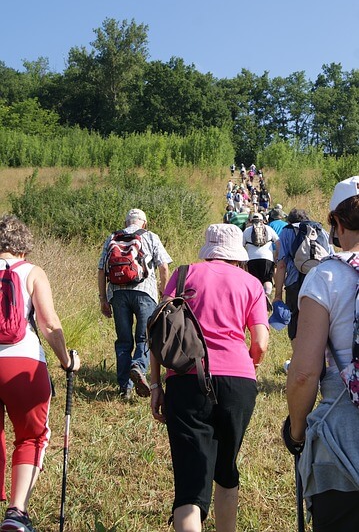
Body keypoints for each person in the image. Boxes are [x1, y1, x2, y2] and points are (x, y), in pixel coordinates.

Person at [150, 223, 269, 532]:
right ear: (237, 254)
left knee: (191, 484)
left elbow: (159, 331)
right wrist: (248, 366)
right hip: (239, 382)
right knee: (226, 471)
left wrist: (155, 383)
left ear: (208, 249)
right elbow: (260, 342)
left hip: (186, 378)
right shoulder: (251, 283)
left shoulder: (184, 274)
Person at [286, 175, 359, 531]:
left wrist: (296, 432)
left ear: (338, 224)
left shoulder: (326, 278)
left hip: (343, 446)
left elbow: (303, 373)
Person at [0, 214, 81, 532]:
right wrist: (65, 360)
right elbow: (48, 323)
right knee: (31, 437)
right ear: (24, 246)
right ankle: (16, 513)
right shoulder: (32, 272)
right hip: (23, 363)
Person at [98, 208, 172, 400]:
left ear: (126, 223)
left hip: (117, 294)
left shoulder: (113, 237)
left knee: (123, 341)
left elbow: (101, 270)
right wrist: (165, 294)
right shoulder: (150, 237)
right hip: (145, 293)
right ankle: (138, 366)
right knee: (144, 338)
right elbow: (164, 266)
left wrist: (103, 299)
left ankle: (125, 388)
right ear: (144, 223)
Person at [273, 208, 332, 341]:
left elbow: (281, 264)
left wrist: (278, 295)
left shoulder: (286, 232)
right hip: (319, 283)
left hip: (295, 283)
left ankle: (298, 358)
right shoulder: (322, 232)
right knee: (318, 321)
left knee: (295, 322)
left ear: (289, 221)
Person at [242, 213, 280, 308]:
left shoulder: (246, 231)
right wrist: (278, 256)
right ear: (263, 220)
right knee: (267, 279)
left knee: (255, 280)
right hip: (267, 258)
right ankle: (266, 294)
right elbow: (278, 242)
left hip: (251, 259)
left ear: (251, 221)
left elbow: (241, 246)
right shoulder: (268, 229)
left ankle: (257, 300)